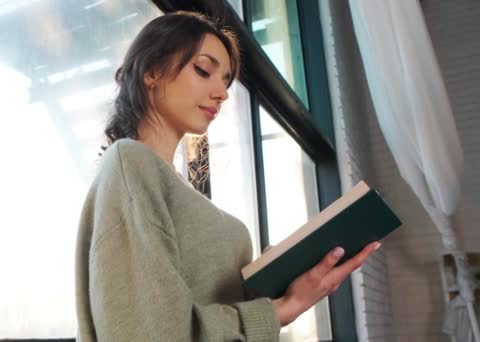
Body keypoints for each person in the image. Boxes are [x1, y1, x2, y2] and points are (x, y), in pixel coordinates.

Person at [75, 10, 380, 341]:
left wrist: (268, 286)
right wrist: (281, 309)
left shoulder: (172, 184)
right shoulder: (130, 162)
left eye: (226, 81)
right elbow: (148, 333)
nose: (221, 93)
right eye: (204, 70)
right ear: (151, 70)